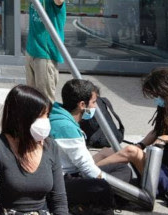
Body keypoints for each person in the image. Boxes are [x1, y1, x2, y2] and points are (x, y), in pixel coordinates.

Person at [97, 67, 168, 206]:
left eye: (156, 94)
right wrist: (141, 145)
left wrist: (166, 138)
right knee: (107, 151)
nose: (155, 98)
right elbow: (157, 130)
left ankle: (84, 174)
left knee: (131, 152)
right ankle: (80, 171)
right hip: (160, 165)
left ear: (166, 89)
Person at [0, 85, 69, 215]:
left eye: (47, 115)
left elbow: (59, 199)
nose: (45, 121)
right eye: (41, 116)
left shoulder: (51, 146)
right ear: (23, 118)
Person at [50, 79, 131, 213]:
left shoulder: (58, 114)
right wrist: (105, 181)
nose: (95, 107)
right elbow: (86, 167)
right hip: (63, 180)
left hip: (72, 170)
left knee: (121, 167)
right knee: (101, 187)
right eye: (93, 102)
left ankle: (111, 196)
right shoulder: (66, 127)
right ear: (82, 104)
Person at [10, 0, 71, 103]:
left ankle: (47, 124)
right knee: (31, 97)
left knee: (45, 99)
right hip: (31, 51)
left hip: (46, 54)